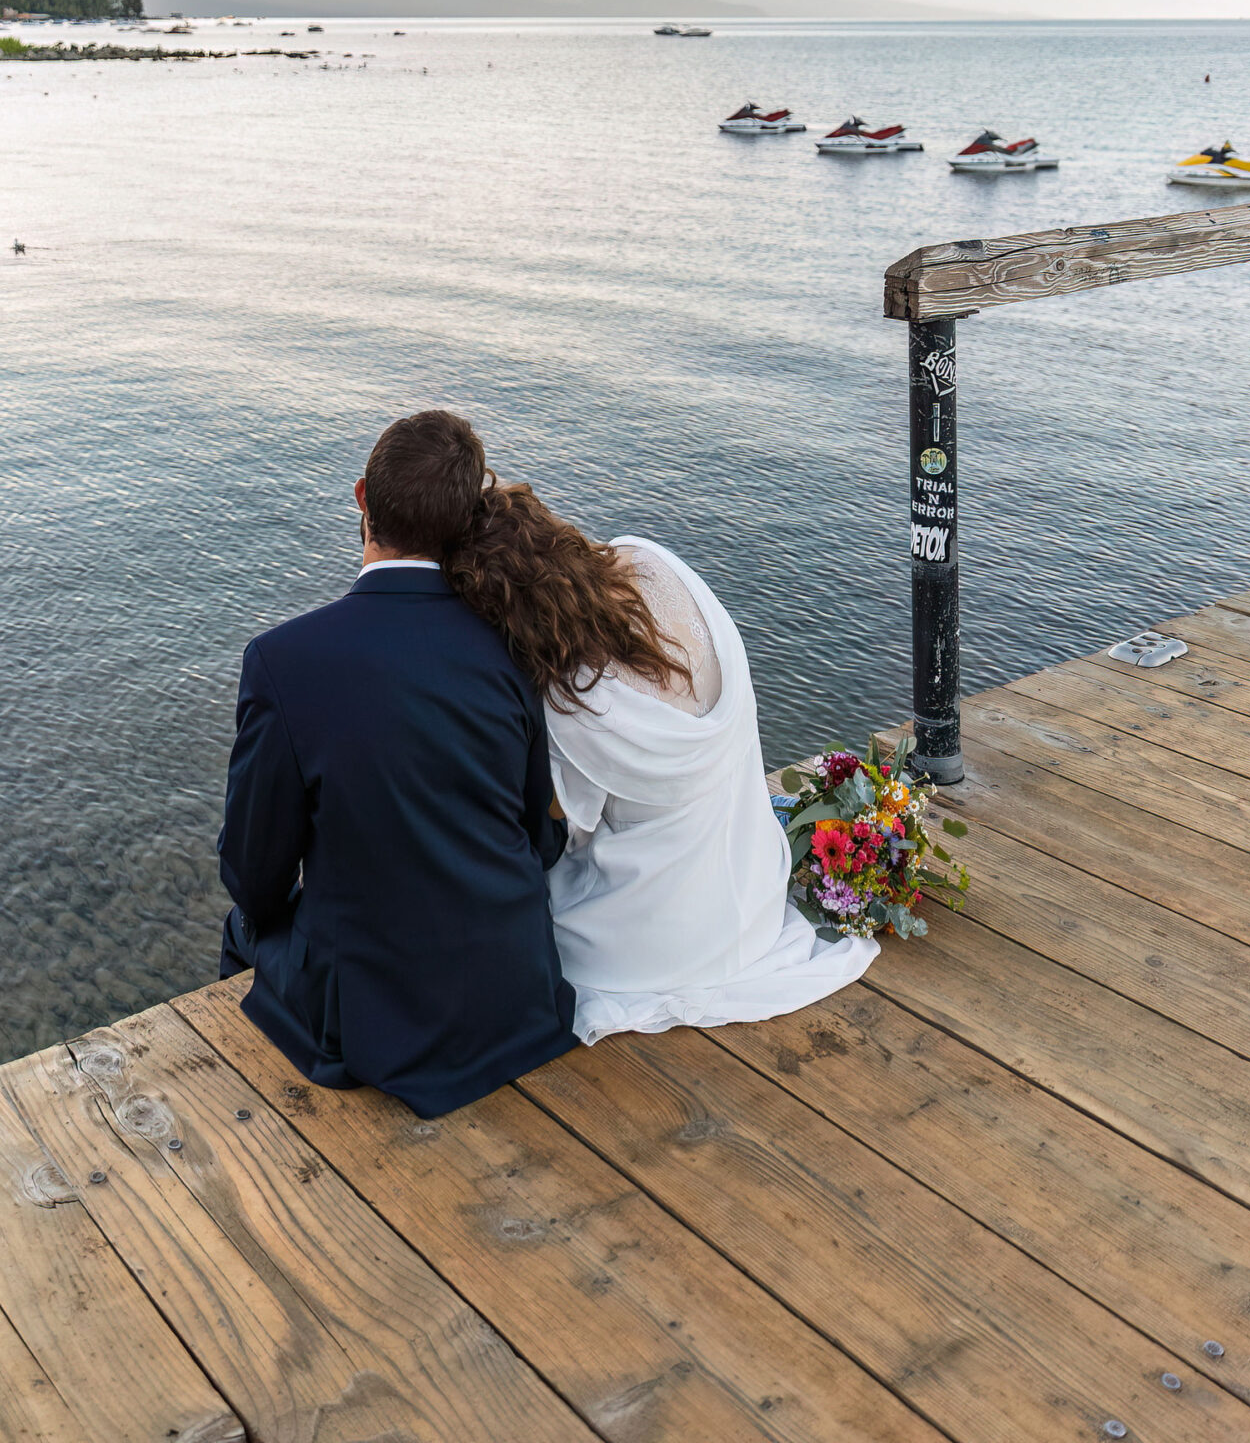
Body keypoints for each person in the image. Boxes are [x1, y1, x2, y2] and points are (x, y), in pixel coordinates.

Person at [217, 410, 578, 1117]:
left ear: (360, 499)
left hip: (376, 1025)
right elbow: (538, 837)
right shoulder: (509, 646)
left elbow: (254, 870)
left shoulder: (282, 660)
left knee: (246, 925)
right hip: (518, 994)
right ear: (463, 521)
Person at [445, 485, 878, 1041]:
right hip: (751, 892)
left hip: (648, 945)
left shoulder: (573, 699)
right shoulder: (653, 562)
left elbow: (568, 827)